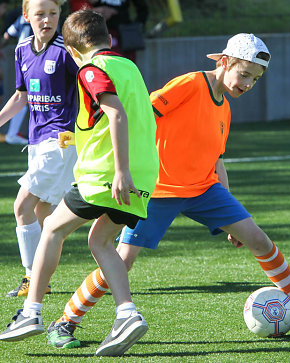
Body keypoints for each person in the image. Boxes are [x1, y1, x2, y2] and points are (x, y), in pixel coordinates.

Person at [44, 32, 290, 349]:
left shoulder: (224, 109)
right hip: (158, 190)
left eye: (254, 80)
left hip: (204, 190)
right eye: (244, 74)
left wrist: (227, 211)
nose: (247, 84)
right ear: (224, 62)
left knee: (258, 239)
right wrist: (122, 166)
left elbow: (217, 160)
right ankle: (65, 322)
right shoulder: (189, 84)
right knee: (123, 259)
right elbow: (140, 115)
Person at [0, 8, 159, 357]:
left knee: (52, 228)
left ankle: (31, 312)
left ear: (72, 51)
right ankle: (127, 313)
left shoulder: (90, 69)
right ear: (110, 39)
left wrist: (120, 171)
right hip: (145, 175)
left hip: (107, 175)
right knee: (100, 242)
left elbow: (115, 112)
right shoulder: (128, 66)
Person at [0, 0, 78, 298]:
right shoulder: (21, 50)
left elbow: (91, 89)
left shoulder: (66, 52)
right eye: (40, 14)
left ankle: (33, 278)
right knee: (45, 215)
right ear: (25, 16)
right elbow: (21, 96)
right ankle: (42, 275)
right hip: (36, 141)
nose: (47, 19)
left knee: (22, 207)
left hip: (62, 141)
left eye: (54, 14)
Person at [0, 10, 34, 145]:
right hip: (30, 59)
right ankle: (12, 133)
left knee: (24, 97)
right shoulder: (27, 17)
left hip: (24, 59)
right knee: (23, 96)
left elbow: (8, 34)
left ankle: (13, 133)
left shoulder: (21, 18)